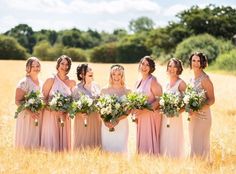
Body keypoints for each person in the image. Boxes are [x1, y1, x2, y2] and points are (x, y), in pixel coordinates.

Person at [41, 55, 76, 151]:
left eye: (67, 64)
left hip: (65, 116)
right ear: (58, 64)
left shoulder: (72, 82)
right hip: (50, 115)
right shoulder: (51, 79)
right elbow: (42, 99)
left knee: (63, 148)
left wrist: (68, 111)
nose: (64, 66)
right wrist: (53, 109)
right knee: (51, 143)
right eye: (62, 63)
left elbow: (73, 100)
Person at [188, 52, 215, 160]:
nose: (195, 63)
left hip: (203, 116)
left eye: (198, 61)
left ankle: (204, 167)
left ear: (202, 62)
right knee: (193, 142)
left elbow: (212, 99)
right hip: (193, 117)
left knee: (199, 143)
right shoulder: (191, 79)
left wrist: (198, 107)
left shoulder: (205, 79)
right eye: (193, 60)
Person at [134, 56, 162, 155]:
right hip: (141, 117)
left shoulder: (153, 80)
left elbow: (159, 99)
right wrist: (135, 113)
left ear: (151, 68)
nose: (144, 67)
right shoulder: (138, 81)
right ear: (140, 65)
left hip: (151, 116)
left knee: (150, 145)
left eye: (147, 65)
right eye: (143, 64)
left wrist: (144, 111)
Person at [160, 58, 186, 158]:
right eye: (170, 66)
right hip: (165, 118)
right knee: (165, 139)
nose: (172, 69)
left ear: (179, 69)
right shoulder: (166, 84)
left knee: (174, 140)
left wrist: (177, 111)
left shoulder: (181, 83)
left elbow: (187, 102)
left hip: (175, 117)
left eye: (175, 66)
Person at [101, 64, 130, 153]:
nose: (116, 77)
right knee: (107, 149)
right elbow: (100, 108)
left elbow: (129, 110)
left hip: (122, 124)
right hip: (107, 125)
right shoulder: (104, 90)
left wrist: (117, 120)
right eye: (114, 74)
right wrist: (105, 121)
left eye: (119, 74)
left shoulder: (128, 91)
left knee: (121, 149)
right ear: (111, 75)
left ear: (122, 76)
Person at [15, 57, 42, 148]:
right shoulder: (24, 82)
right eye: (33, 66)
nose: (36, 68)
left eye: (37, 66)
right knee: (26, 141)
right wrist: (30, 112)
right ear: (28, 68)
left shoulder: (41, 83)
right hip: (26, 116)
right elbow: (17, 101)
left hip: (37, 115)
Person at [72, 64, 101, 149]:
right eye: (87, 70)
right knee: (82, 143)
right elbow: (72, 104)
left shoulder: (96, 86)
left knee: (95, 145)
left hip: (95, 118)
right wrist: (80, 112)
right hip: (82, 119)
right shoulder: (76, 88)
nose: (90, 71)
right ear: (81, 75)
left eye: (90, 69)